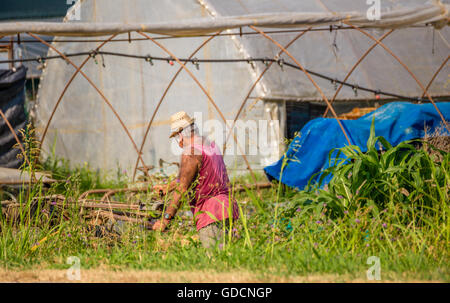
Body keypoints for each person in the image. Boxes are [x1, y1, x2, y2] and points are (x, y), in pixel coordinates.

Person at [152, 111, 239, 248]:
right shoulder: (210, 145)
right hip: (227, 207)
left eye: (176, 137)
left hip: (211, 213)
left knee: (215, 260)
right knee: (228, 259)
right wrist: (168, 187)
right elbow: (194, 175)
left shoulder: (191, 152)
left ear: (181, 135)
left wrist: (166, 219)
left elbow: (183, 188)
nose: (178, 142)